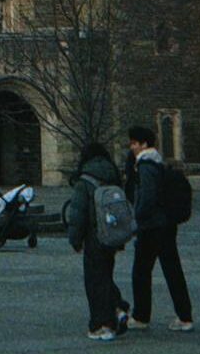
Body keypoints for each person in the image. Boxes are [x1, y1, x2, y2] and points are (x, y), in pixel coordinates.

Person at [127, 125, 194, 333]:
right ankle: (185, 316)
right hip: (165, 224)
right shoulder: (159, 163)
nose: (131, 147)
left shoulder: (145, 165)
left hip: (152, 226)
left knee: (141, 272)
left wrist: (137, 217)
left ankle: (141, 316)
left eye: (134, 143)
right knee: (172, 270)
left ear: (144, 144)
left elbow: (147, 197)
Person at [67, 142, 132, 342]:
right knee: (105, 275)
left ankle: (102, 325)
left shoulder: (84, 180)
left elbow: (77, 214)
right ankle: (118, 308)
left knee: (95, 281)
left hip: (94, 236)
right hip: (112, 234)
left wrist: (75, 240)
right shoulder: (113, 174)